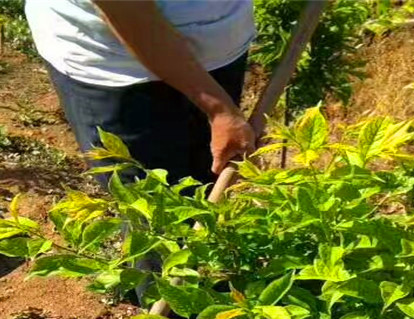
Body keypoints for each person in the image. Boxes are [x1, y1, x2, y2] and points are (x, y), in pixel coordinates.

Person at [25, 0, 256, 186]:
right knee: (157, 211)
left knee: (207, 179)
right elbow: (128, 12)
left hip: (218, 49)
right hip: (121, 72)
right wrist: (219, 110)